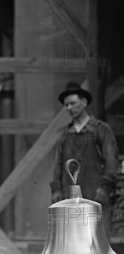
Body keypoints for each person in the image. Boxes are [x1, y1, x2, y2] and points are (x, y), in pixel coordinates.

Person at [50, 82, 119, 233]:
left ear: (84, 102)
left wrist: (104, 189)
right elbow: (58, 165)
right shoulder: (65, 134)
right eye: (66, 105)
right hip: (70, 200)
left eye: (72, 103)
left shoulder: (101, 130)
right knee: (72, 243)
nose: (69, 108)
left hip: (95, 196)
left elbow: (111, 161)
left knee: (98, 243)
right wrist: (56, 189)